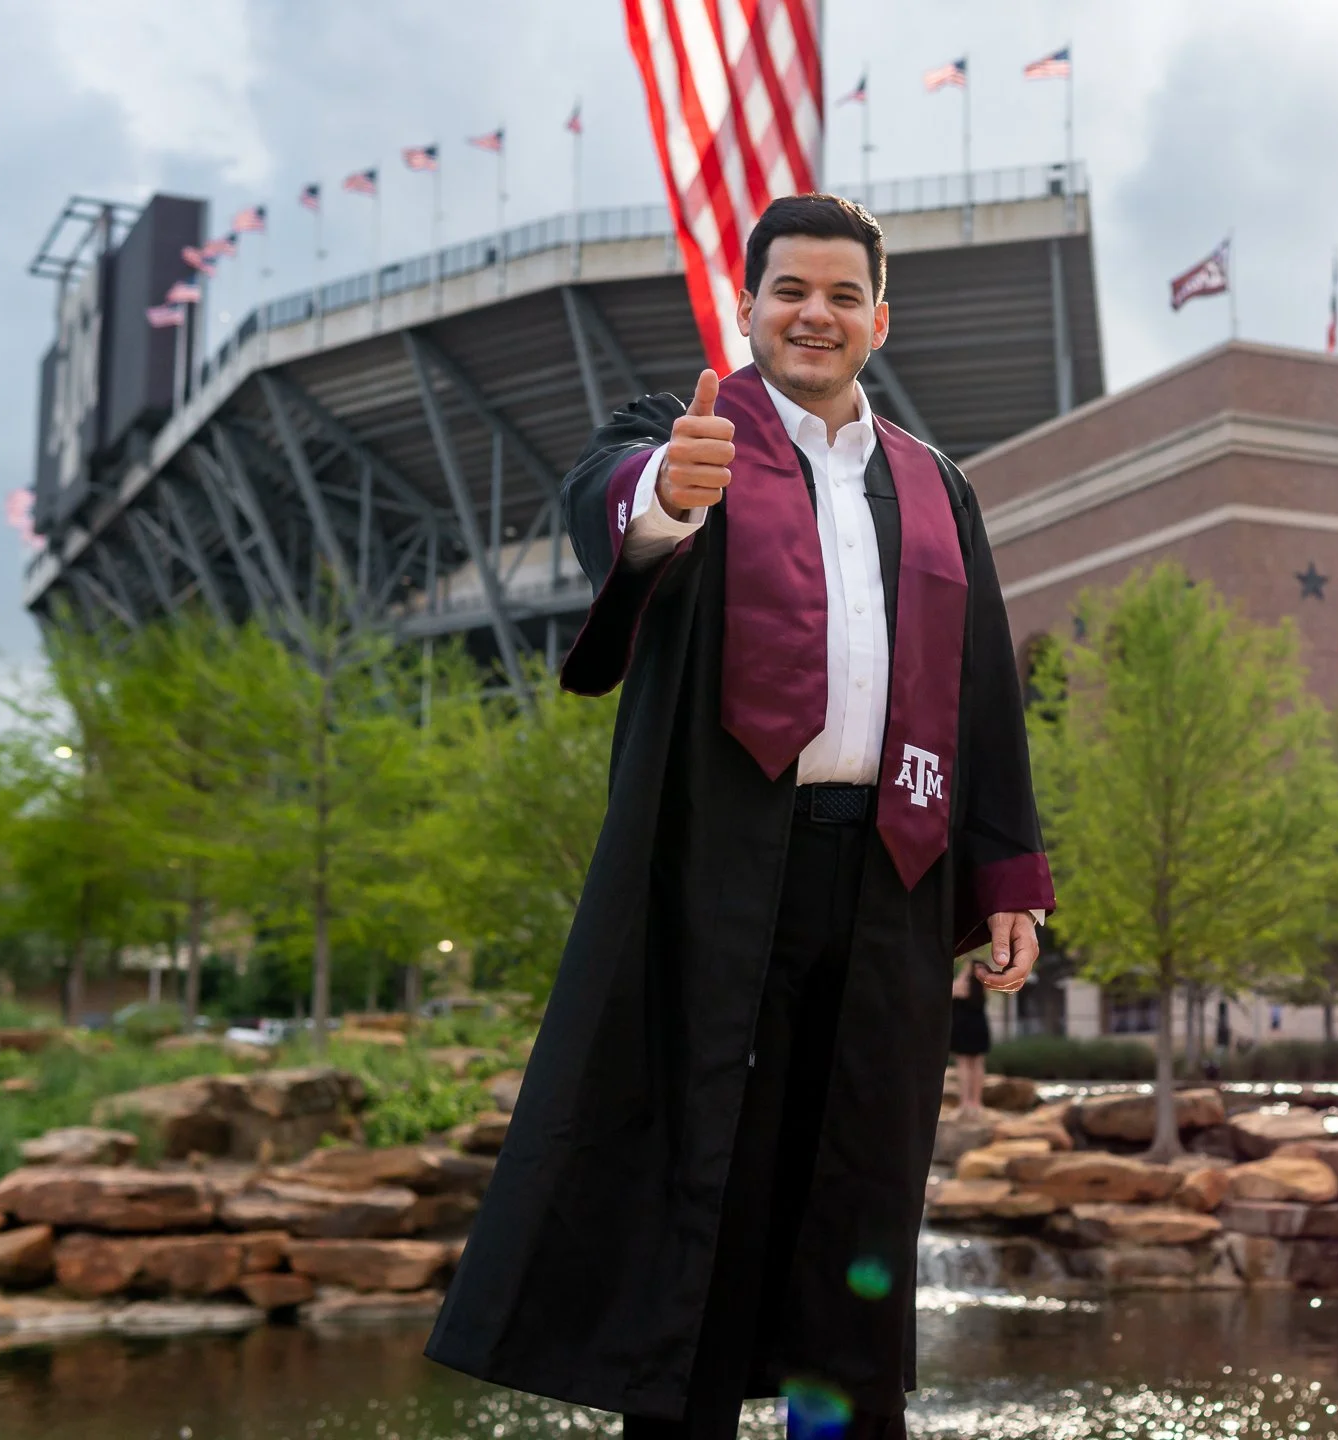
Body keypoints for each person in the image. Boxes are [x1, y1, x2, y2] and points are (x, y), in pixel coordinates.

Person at [426, 194, 1054, 1440]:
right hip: (716, 875)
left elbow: (985, 685)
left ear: (881, 316)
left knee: (863, 1191)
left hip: (892, 878)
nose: (813, 314)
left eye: (839, 294)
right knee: (702, 1173)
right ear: (751, 306)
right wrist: (667, 492)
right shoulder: (685, 437)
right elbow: (606, 496)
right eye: (788, 292)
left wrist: (1007, 877)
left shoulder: (937, 489)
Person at [948, 959, 991, 1120]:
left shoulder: (963, 986)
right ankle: (976, 1103)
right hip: (979, 1027)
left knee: (965, 1064)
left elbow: (953, 990)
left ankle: (965, 1103)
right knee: (977, 1064)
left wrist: (964, 972)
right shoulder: (983, 986)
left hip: (963, 1028)